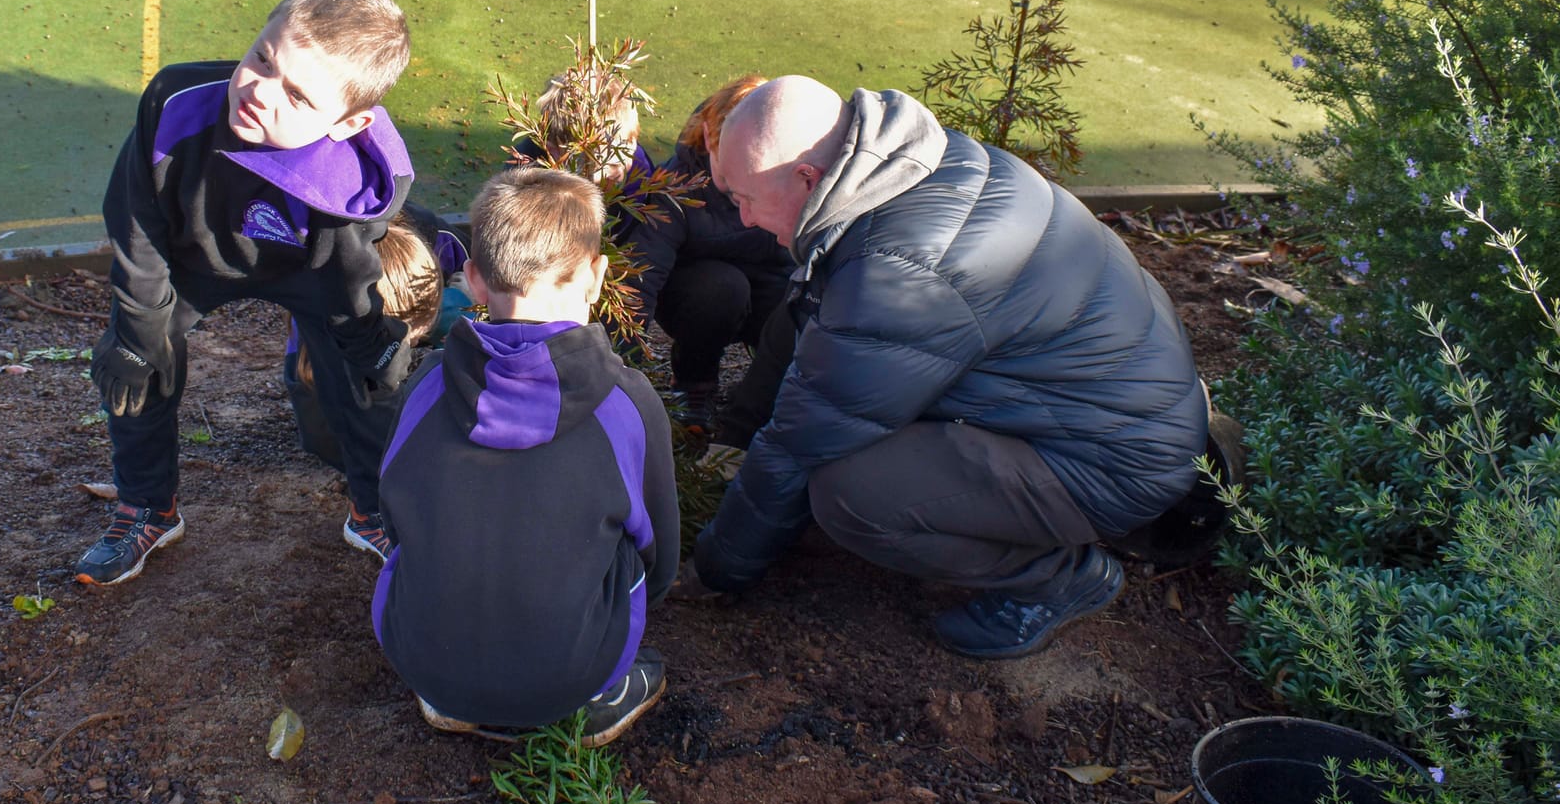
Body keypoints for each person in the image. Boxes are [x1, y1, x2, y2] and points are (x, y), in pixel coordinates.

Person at [685, 76, 1213, 660]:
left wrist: (716, 568)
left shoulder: (898, 272)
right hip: (1115, 411)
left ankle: (1059, 577)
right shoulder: (911, 164)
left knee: (849, 493)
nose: (743, 218)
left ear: (808, 178)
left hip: (1112, 462)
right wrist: (738, 435)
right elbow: (804, 325)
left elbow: (799, 444)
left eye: (745, 198)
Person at [75, 0, 417, 587]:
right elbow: (135, 222)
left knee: (364, 376)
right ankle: (149, 508)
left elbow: (348, 268)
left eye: (298, 96)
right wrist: (137, 328)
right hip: (192, 257)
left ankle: (374, 510)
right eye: (262, 57)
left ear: (349, 123)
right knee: (138, 358)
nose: (259, 90)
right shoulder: (175, 103)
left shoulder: (361, 173)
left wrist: (369, 338)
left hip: (305, 270)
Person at [373, 167, 679, 745]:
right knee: (629, 550)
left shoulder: (426, 386)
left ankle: (452, 696)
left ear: (473, 281)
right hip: (567, 679)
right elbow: (657, 554)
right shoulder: (627, 402)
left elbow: (391, 514)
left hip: (424, 662)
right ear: (596, 277)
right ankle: (600, 695)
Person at [619, 76, 794, 431]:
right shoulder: (676, 188)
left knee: (793, 302)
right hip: (698, 293)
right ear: (708, 140)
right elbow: (641, 279)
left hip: (766, 280)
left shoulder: (788, 178)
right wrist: (615, 369)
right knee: (723, 289)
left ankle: (769, 392)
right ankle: (694, 385)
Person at [282, 212, 457, 470]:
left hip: (377, 299)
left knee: (457, 307)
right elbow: (329, 443)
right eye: (415, 333)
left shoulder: (321, 306)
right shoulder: (320, 367)